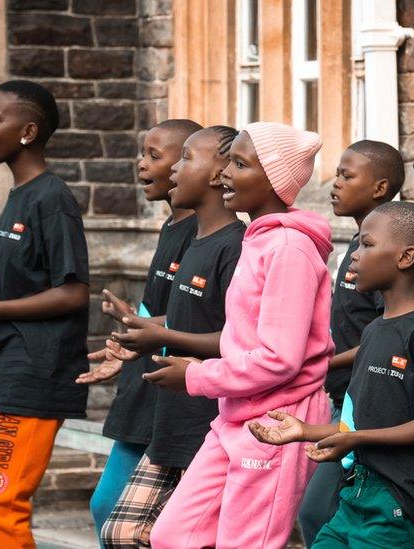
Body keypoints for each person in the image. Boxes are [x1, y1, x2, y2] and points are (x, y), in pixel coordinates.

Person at [144, 123, 332, 548]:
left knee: (247, 542)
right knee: (173, 536)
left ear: (273, 182)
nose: (225, 173)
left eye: (241, 164)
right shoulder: (259, 240)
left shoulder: (288, 247)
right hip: (235, 416)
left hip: (276, 424)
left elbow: (279, 359)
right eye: (228, 161)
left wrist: (196, 376)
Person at [251, 201, 414, 548]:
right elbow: (367, 422)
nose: (354, 255)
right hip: (357, 493)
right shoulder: (375, 330)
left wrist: (358, 440)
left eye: (367, 244)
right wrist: (306, 431)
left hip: (400, 505)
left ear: (406, 257)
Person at [99, 126, 245, 548]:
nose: (175, 168)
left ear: (219, 174)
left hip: (205, 416)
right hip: (170, 413)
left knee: (166, 534)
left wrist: (158, 334)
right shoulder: (194, 238)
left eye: (185, 158)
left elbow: (242, 339)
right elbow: (189, 317)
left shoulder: (234, 246)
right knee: (120, 529)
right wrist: (139, 330)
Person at [0, 79, 90, 548]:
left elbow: (74, 292)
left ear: (27, 132)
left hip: (30, 377)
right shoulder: (18, 196)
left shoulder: (51, 199)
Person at [77, 118, 203, 542]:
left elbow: (208, 318)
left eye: (155, 155)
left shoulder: (208, 236)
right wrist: (125, 339)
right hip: (143, 387)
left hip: (176, 393)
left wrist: (143, 327)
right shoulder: (172, 226)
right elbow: (163, 310)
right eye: (142, 153)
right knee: (106, 506)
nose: (141, 164)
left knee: (135, 519)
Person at [297, 139, 405, 544]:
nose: (335, 183)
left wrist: (326, 363)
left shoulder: (380, 252)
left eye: (347, 175)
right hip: (342, 398)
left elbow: (387, 334)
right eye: (337, 174)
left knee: (318, 512)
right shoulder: (356, 242)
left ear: (379, 188)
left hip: (365, 403)